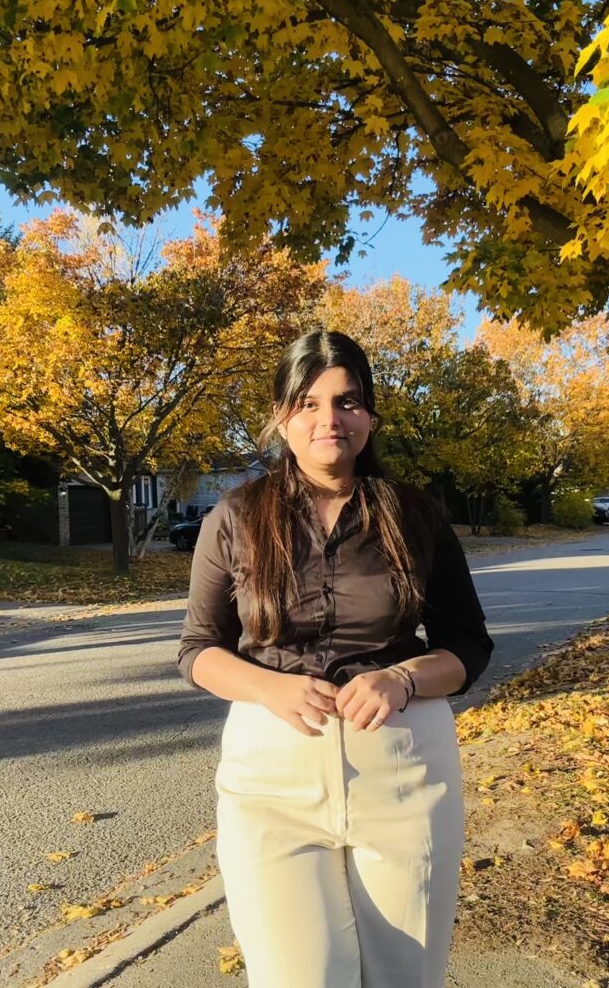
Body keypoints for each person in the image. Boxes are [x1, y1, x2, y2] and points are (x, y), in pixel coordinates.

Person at [178, 330, 493, 988]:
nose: (330, 420)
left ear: (371, 415)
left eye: (347, 402)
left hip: (406, 775)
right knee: (300, 978)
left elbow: (468, 645)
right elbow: (198, 649)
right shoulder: (235, 518)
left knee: (405, 976)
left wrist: (405, 678)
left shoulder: (416, 516)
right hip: (272, 784)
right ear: (280, 416)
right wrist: (268, 689)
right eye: (309, 403)